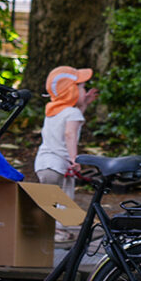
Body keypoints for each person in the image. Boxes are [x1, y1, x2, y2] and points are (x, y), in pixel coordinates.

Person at [35, 65, 100, 199]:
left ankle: (46, 220)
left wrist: (84, 104)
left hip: (43, 164)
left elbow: (73, 122)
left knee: (48, 203)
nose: (85, 91)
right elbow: (70, 134)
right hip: (60, 165)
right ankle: (63, 221)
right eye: (82, 87)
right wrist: (74, 159)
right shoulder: (72, 113)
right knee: (64, 205)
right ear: (72, 91)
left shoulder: (52, 110)